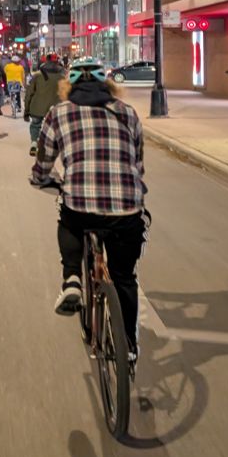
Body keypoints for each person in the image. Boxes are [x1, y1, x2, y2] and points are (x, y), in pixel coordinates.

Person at [30, 58, 149, 358]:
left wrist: (44, 180)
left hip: (81, 204)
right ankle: (129, 348)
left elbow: (43, 165)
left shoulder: (58, 113)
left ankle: (72, 278)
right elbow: (137, 163)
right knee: (124, 277)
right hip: (126, 209)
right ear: (108, 83)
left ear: (68, 85)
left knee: (69, 220)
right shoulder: (128, 113)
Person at [23, 53, 64, 154]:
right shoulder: (64, 76)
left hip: (37, 108)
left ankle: (33, 143)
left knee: (35, 124)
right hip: (56, 109)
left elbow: (29, 94)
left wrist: (26, 111)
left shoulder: (37, 75)